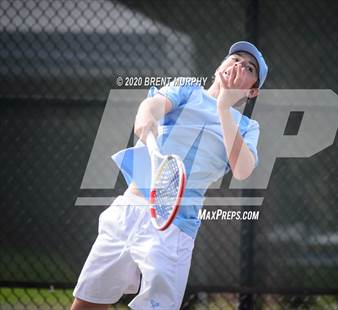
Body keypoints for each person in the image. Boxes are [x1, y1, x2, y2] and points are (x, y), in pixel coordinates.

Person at [71, 41, 268, 310]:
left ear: (253, 90)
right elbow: (150, 107)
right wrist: (147, 115)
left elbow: (243, 169)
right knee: (88, 301)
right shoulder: (187, 90)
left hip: (174, 227)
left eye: (249, 67)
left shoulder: (247, 127)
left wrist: (223, 107)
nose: (238, 66)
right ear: (219, 66)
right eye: (235, 59)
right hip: (128, 210)